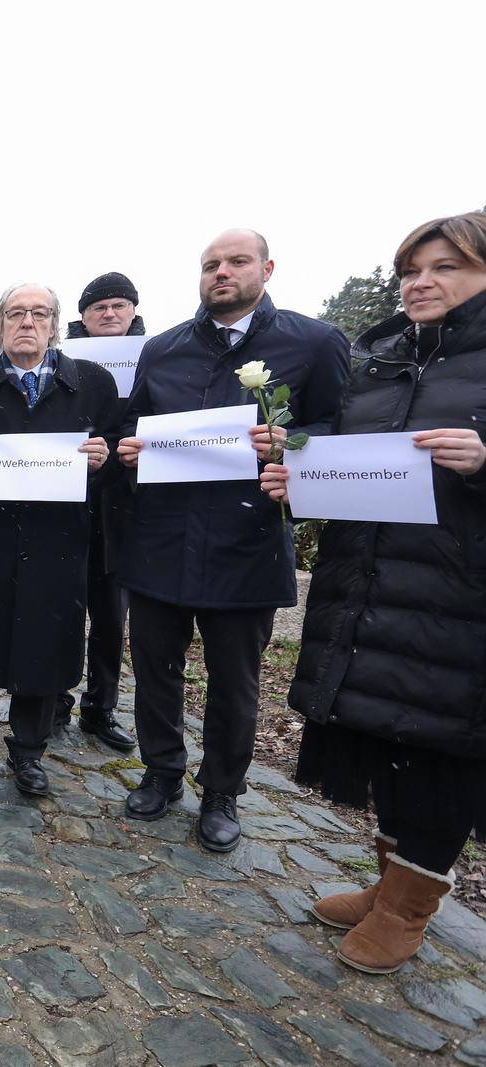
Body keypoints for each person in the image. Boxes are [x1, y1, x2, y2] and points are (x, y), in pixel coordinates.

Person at [261, 212, 486, 974]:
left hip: (461, 595)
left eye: (446, 267)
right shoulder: (382, 355)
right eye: (411, 269)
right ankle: (391, 878)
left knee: (444, 744)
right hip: (368, 579)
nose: (422, 282)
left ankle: (411, 905)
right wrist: (303, 476)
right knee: (387, 734)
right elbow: (358, 460)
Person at [117, 229, 349, 851]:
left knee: (234, 680)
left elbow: (341, 426)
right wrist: (130, 449)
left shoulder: (315, 342)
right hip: (163, 536)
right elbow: (136, 426)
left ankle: (222, 789)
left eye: (236, 262)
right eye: (210, 264)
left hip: (246, 539)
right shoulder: (164, 349)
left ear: (267, 268)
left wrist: (292, 442)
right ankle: (162, 769)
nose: (222, 273)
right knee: (155, 671)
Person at [0, 283, 118, 796]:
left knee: (46, 643)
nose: (26, 323)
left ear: (55, 325)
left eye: (38, 314)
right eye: (15, 314)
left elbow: (113, 469)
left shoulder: (94, 385)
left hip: (58, 543)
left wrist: (102, 463)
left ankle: (28, 752)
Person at [50, 272, 144, 753]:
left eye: (118, 306)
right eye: (99, 307)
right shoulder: (58, 360)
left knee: (111, 617)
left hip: (122, 507)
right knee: (62, 607)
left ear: (132, 312)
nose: (109, 314)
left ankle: (101, 707)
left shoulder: (154, 358)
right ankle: (55, 699)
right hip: (66, 501)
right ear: (82, 317)